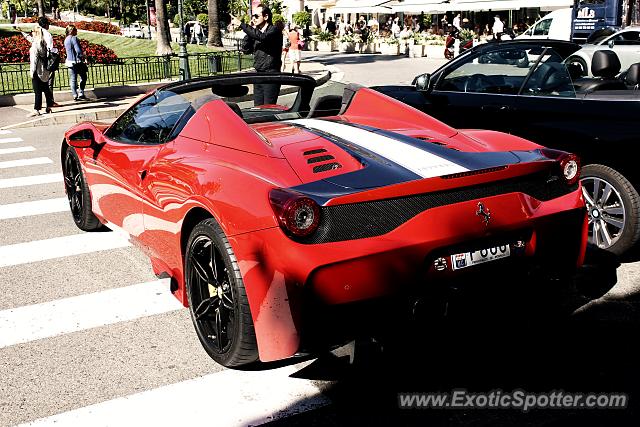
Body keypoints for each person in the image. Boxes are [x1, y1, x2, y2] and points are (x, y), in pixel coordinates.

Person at [231, 4, 282, 106]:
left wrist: (242, 24)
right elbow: (246, 49)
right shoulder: (255, 33)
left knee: (268, 108)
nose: (254, 18)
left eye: (256, 16)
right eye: (252, 16)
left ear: (266, 17)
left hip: (271, 75)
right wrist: (249, 32)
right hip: (258, 74)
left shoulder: (274, 30)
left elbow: (263, 37)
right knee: (257, 107)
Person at [27, 26, 53, 117]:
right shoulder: (43, 43)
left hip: (37, 71)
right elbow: (30, 39)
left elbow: (34, 60)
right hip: (44, 70)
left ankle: (36, 109)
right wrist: (21, 32)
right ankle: (49, 106)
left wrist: (32, 72)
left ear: (36, 33)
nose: (31, 33)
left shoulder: (35, 46)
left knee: (37, 91)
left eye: (32, 31)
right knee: (46, 89)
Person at [37, 17, 59, 106]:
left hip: (39, 60)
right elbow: (50, 49)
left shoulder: (37, 33)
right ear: (46, 24)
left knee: (41, 82)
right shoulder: (47, 34)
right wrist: (56, 51)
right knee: (49, 81)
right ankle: (50, 101)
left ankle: (46, 102)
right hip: (47, 60)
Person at [64, 25, 88, 101]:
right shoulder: (74, 38)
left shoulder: (66, 39)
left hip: (69, 61)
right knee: (83, 76)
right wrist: (83, 56)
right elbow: (78, 51)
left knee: (73, 79)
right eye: (75, 29)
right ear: (72, 31)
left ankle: (74, 94)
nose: (77, 31)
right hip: (77, 61)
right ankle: (81, 92)